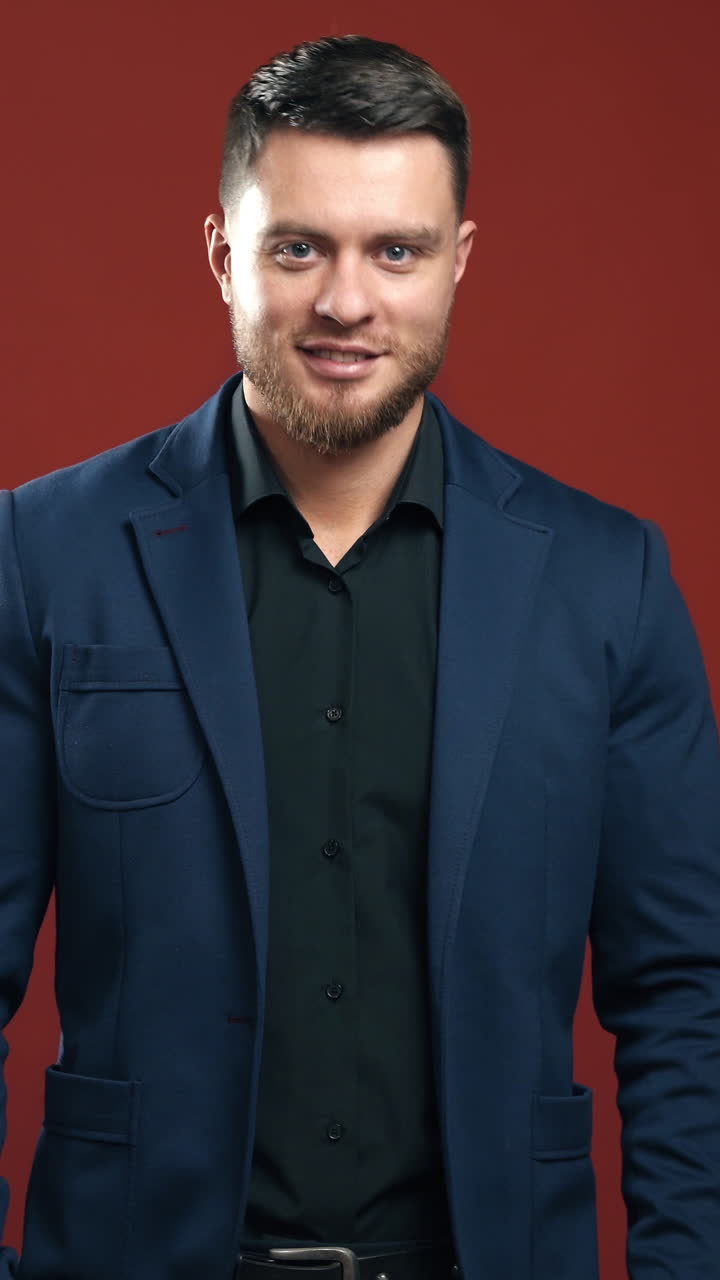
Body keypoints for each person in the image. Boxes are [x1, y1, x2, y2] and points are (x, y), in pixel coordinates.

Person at [0, 32, 718, 1280]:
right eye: (299, 248)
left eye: (397, 250)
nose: (346, 301)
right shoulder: (41, 552)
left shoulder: (612, 579)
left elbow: (689, 994)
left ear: (459, 261)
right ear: (223, 254)